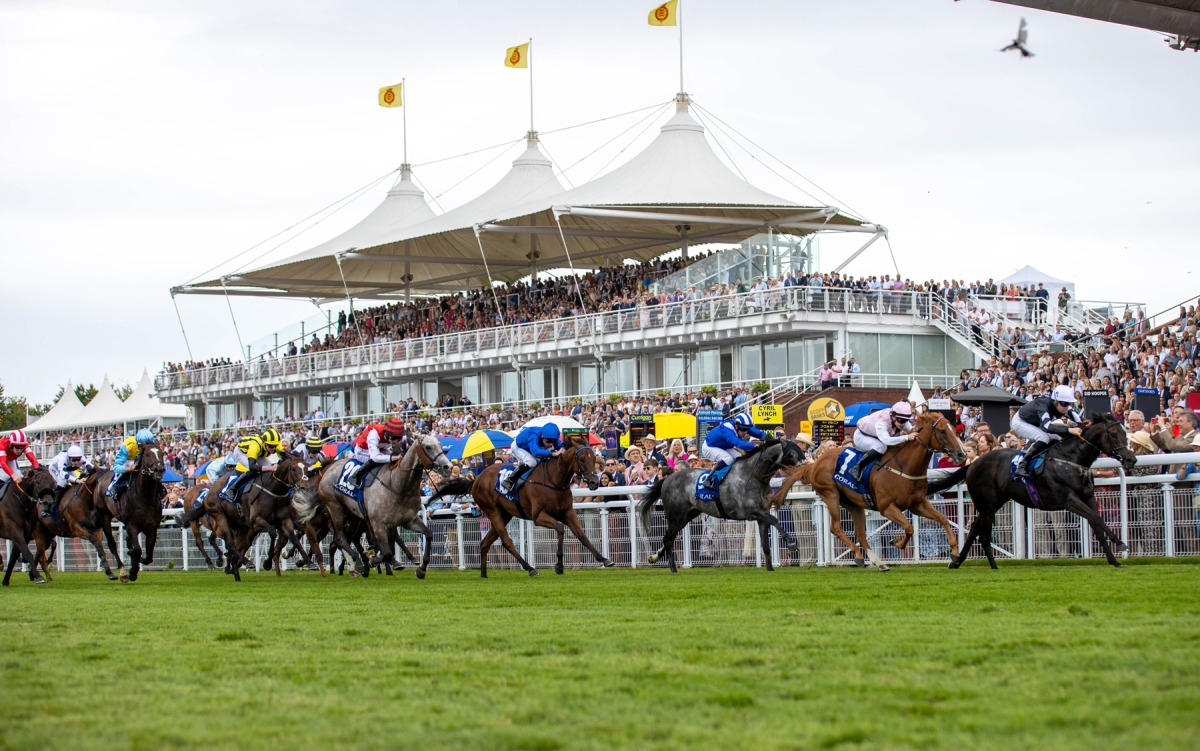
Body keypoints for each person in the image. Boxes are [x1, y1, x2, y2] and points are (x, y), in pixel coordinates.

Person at [1011, 384, 1084, 480]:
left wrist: (1082, 425)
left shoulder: (1061, 404)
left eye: (1069, 404)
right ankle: (1022, 465)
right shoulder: (1043, 404)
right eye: (1064, 404)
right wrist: (1069, 430)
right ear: (1056, 401)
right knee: (1044, 438)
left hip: (1035, 422)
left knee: (1057, 438)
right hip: (1020, 421)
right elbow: (1046, 426)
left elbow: (1077, 419)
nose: (1067, 407)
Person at [219, 427, 286, 512]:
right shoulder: (255, 446)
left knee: (270, 468)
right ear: (265, 443)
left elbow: (285, 454)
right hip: (241, 452)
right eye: (271, 446)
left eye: (275, 446)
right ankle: (232, 488)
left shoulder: (274, 443)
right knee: (256, 470)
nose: (273, 448)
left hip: (258, 453)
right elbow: (252, 466)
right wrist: (271, 467)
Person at [849, 402, 916, 482]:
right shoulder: (882, 422)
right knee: (881, 447)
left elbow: (912, 430)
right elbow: (886, 440)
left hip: (876, 437)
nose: (903, 424)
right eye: (901, 420)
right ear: (893, 416)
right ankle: (857, 467)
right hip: (862, 436)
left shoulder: (900, 418)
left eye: (906, 420)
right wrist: (907, 437)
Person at [700, 412, 764, 489]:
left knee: (740, 458)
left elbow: (759, 434)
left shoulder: (742, 426)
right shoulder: (727, 428)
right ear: (736, 426)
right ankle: (709, 478)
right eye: (744, 430)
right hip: (709, 447)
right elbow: (737, 443)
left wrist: (773, 439)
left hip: (723, 446)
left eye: (748, 430)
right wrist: (754, 446)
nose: (746, 432)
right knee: (728, 459)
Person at [345, 417, 406, 489]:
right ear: (387, 434)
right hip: (362, 451)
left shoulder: (399, 437)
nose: (396, 441)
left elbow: (405, 447)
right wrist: (396, 457)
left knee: (394, 455)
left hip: (380, 448)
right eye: (394, 438)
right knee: (379, 460)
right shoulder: (374, 434)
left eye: (398, 438)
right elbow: (375, 457)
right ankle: (355, 476)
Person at [504, 423, 563, 494]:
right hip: (519, 447)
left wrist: (563, 449)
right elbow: (535, 451)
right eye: (548, 441)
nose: (551, 444)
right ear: (542, 436)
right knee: (531, 462)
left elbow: (561, 446)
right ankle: (509, 480)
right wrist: (552, 453)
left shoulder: (550, 436)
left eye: (554, 441)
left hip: (530, 448)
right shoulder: (534, 435)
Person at [106, 428, 156, 501]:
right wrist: (128, 468)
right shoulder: (128, 445)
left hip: (139, 460)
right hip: (127, 460)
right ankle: (112, 488)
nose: (146, 448)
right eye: (144, 446)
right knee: (120, 474)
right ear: (139, 444)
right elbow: (116, 467)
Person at [44, 444, 93, 517]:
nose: (76, 462)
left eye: (78, 459)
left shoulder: (82, 457)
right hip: (56, 468)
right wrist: (77, 480)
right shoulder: (63, 459)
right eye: (74, 460)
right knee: (63, 482)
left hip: (69, 468)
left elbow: (90, 466)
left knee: (78, 484)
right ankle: (51, 506)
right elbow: (64, 475)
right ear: (69, 458)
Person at [0, 429, 39, 497]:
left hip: (10, 459)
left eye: (22, 448)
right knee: (4, 477)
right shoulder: (3, 444)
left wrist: (37, 469)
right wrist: (13, 475)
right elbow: (3, 463)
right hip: (2, 459)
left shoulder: (24, 445)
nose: (19, 450)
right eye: (17, 447)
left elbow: (32, 458)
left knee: (19, 478)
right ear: (11, 445)